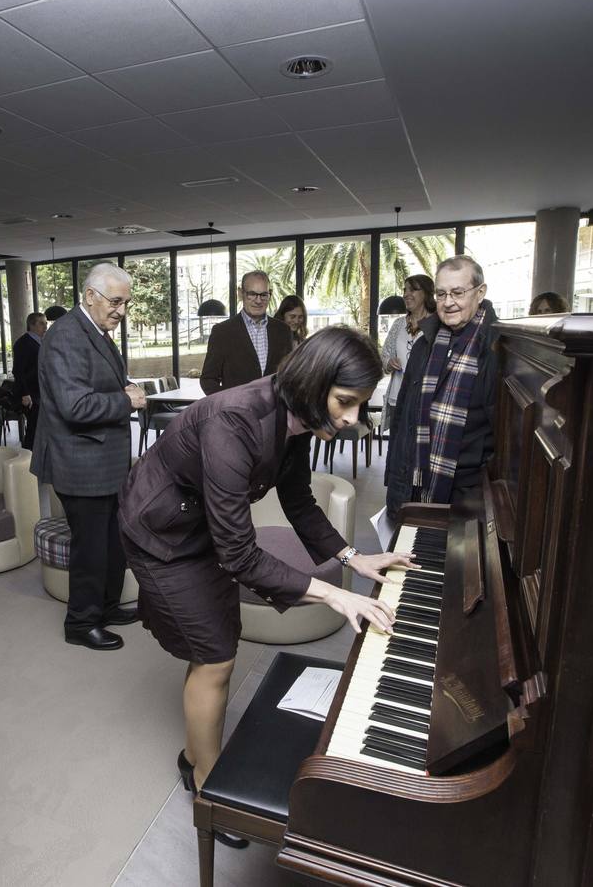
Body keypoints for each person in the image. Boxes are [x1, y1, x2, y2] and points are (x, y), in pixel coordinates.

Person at [118, 327, 405, 847]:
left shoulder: (294, 416)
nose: (350, 420)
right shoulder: (234, 420)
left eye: (359, 406)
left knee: (215, 642)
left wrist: (351, 557)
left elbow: (297, 499)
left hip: (204, 526)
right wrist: (334, 593)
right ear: (315, 382)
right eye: (344, 403)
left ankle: (193, 753)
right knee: (217, 655)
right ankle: (209, 788)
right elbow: (240, 553)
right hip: (159, 533)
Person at [32, 263, 146, 651]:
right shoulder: (65, 336)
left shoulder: (95, 329)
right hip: (80, 463)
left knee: (114, 542)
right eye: (116, 302)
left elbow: (95, 383)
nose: (122, 311)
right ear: (89, 296)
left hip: (104, 461)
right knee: (91, 548)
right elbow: (75, 406)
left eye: (126, 303)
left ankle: (107, 607)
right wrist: (125, 399)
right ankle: (81, 624)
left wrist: (122, 388)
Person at [384, 255, 500, 523]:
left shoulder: (496, 349)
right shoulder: (425, 341)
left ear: (480, 292)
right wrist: (395, 482)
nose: (448, 303)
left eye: (458, 293)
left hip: (466, 495)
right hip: (413, 481)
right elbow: (403, 419)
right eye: (441, 293)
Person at [199, 271, 294, 394]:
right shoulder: (222, 332)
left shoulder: (283, 331)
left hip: (275, 411)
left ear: (269, 294)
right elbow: (208, 379)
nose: (258, 300)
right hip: (236, 411)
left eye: (263, 295)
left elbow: (290, 375)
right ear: (240, 293)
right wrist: (227, 405)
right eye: (252, 294)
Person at [381, 273, 436, 424]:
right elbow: (384, 356)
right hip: (397, 398)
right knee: (395, 447)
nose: (406, 294)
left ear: (426, 293)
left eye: (412, 290)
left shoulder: (437, 325)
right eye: (405, 290)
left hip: (424, 400)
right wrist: (389, 362)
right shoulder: (398, 324)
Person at [12, 311, 47, 449]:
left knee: (39, 427)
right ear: (31, 325)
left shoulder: (40, 341)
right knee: (33, 428)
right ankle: (27, 458)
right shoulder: (24, 343)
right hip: (30, 394)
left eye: (46, 323)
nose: (45, 326)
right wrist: (25, 394)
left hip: (40, 392)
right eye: (41, 323)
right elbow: (18, 371)